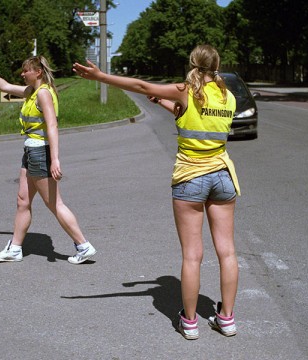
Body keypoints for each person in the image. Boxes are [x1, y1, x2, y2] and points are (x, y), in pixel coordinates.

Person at [73, 44, 239, 339]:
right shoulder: (228, 97)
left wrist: (100, 76)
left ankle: (189, 323)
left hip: (191, 177)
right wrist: (161, 101)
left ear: (192, 63)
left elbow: (139, 84)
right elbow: (193, 116)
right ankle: (226, 319)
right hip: (223, 176)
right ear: (216, 65)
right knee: (227, 252)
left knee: (192, 256)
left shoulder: (185, 89)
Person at [0, 52, 96, 265]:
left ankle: (83, 245)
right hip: (31, 152)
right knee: (23, 201)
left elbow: (52, 126)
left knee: (54, 204)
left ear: (38, 72)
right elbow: (6, 87)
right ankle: (15, 249)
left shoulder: (43, 94)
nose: (22, 73)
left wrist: (55, 159)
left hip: (39, 153)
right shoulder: (32, 91)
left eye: (26, 70)